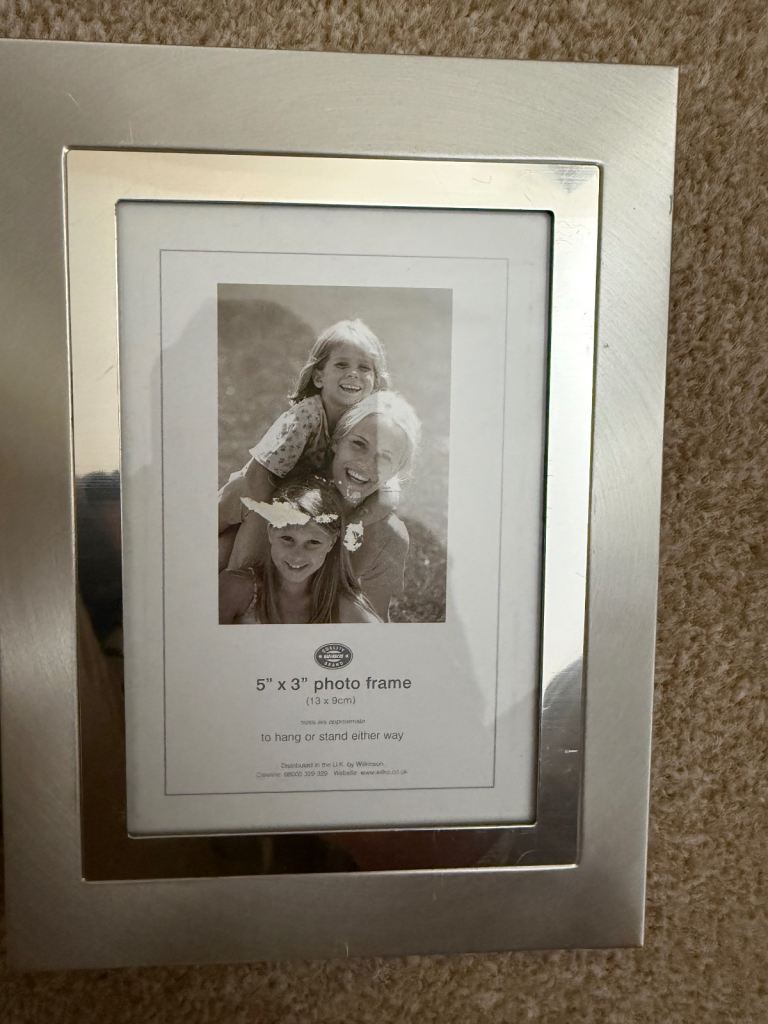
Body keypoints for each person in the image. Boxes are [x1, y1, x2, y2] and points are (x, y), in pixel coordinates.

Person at [220, 391, 422, 622]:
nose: (366, 463)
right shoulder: (259, 489)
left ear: (396, 472)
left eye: (385, 457)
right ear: (337, 441)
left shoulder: (388, 537)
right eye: (358, 444)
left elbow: (370, 629)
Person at [218, 319, 400, 542]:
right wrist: (266, 527)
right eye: (342, 365)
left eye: (364, 368)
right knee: (213, 544)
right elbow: (257, 477)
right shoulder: (305, 417)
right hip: (249, 497)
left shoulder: (371, 426)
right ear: (319, 377)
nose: (353, 373)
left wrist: (352, 522)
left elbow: (389, 490)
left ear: (376, 382)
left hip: (297, 504)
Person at [219, 474, 380, 624]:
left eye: (313, 542)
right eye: (287, 539)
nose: (297, 556)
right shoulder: (237, 589)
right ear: (270, 532)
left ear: (331, 543)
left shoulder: (342, 605)